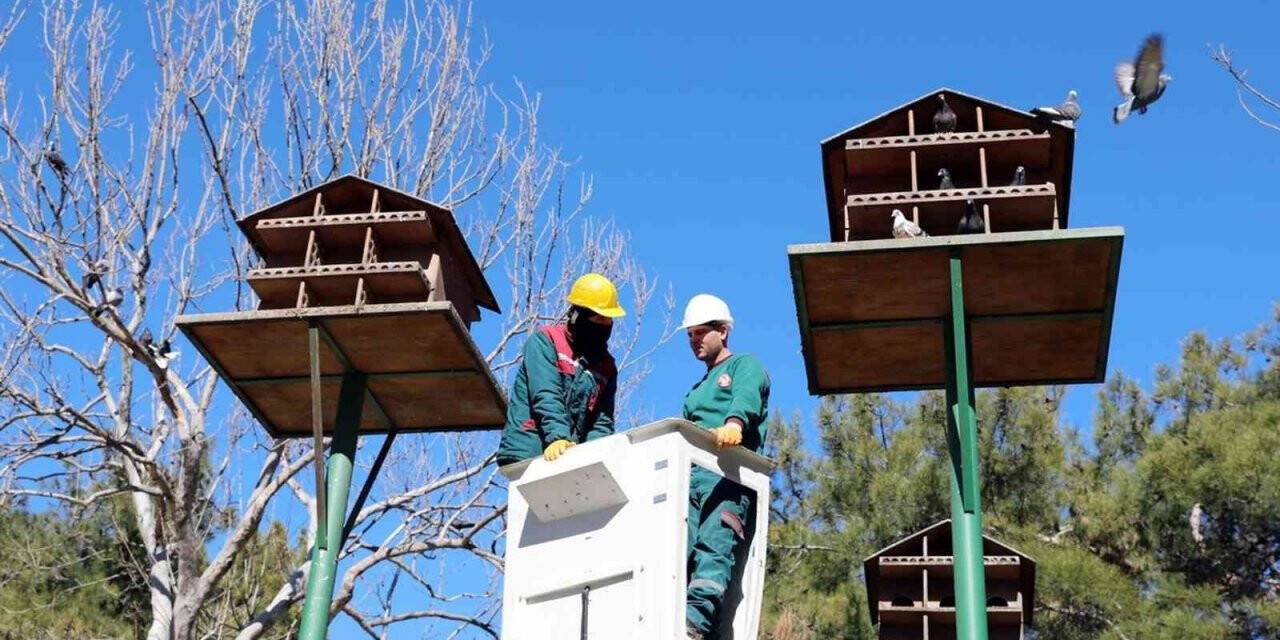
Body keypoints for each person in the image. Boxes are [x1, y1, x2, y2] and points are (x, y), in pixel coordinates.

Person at [679, 294, 770, 640]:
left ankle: (695, 627)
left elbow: (746, 396)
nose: (695, 340)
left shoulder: (744, 366)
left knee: (714, 549)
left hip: (728, 478)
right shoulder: (695, 391)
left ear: (723, 331)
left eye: (702, 332)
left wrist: (734, 424)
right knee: (677, 552)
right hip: (692, 482)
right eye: (690, 334)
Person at [496, 273, 625, 467]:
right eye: (599, 319)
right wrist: (558, 437)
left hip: (570, 458)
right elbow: (546, 394)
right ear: (577, 315)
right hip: (529, 453)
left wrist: (596, 458)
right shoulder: (545, 342)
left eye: (609, 321)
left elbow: (602, 422)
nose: (605, 326)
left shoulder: (606, 367)